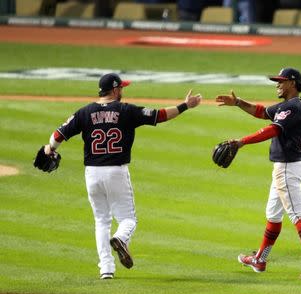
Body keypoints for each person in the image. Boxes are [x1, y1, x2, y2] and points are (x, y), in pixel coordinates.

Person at [41, 73, 202, 279]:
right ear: (115, 89)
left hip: (91, 174)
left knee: (101, 220)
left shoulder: (84, 112)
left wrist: (50, 149)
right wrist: (185, 105)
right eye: (121, 88)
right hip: (116, 171)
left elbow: (57, 136)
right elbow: (159, 115)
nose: (123, 92)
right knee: (128, 219)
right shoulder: (126, 110)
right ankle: (121, 239)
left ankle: (106, 269)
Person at [215, 68, 301, 279]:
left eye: (281, 81)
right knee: (273, 215)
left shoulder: (293, 106)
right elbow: (262, 112)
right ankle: (260, 259)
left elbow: (273, 129)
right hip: (285, 167)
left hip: (288, 167)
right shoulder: (288, 105)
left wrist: (242, 142)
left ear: (292, 83)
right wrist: (238, 102)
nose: (277, 84)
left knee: (297, 214)